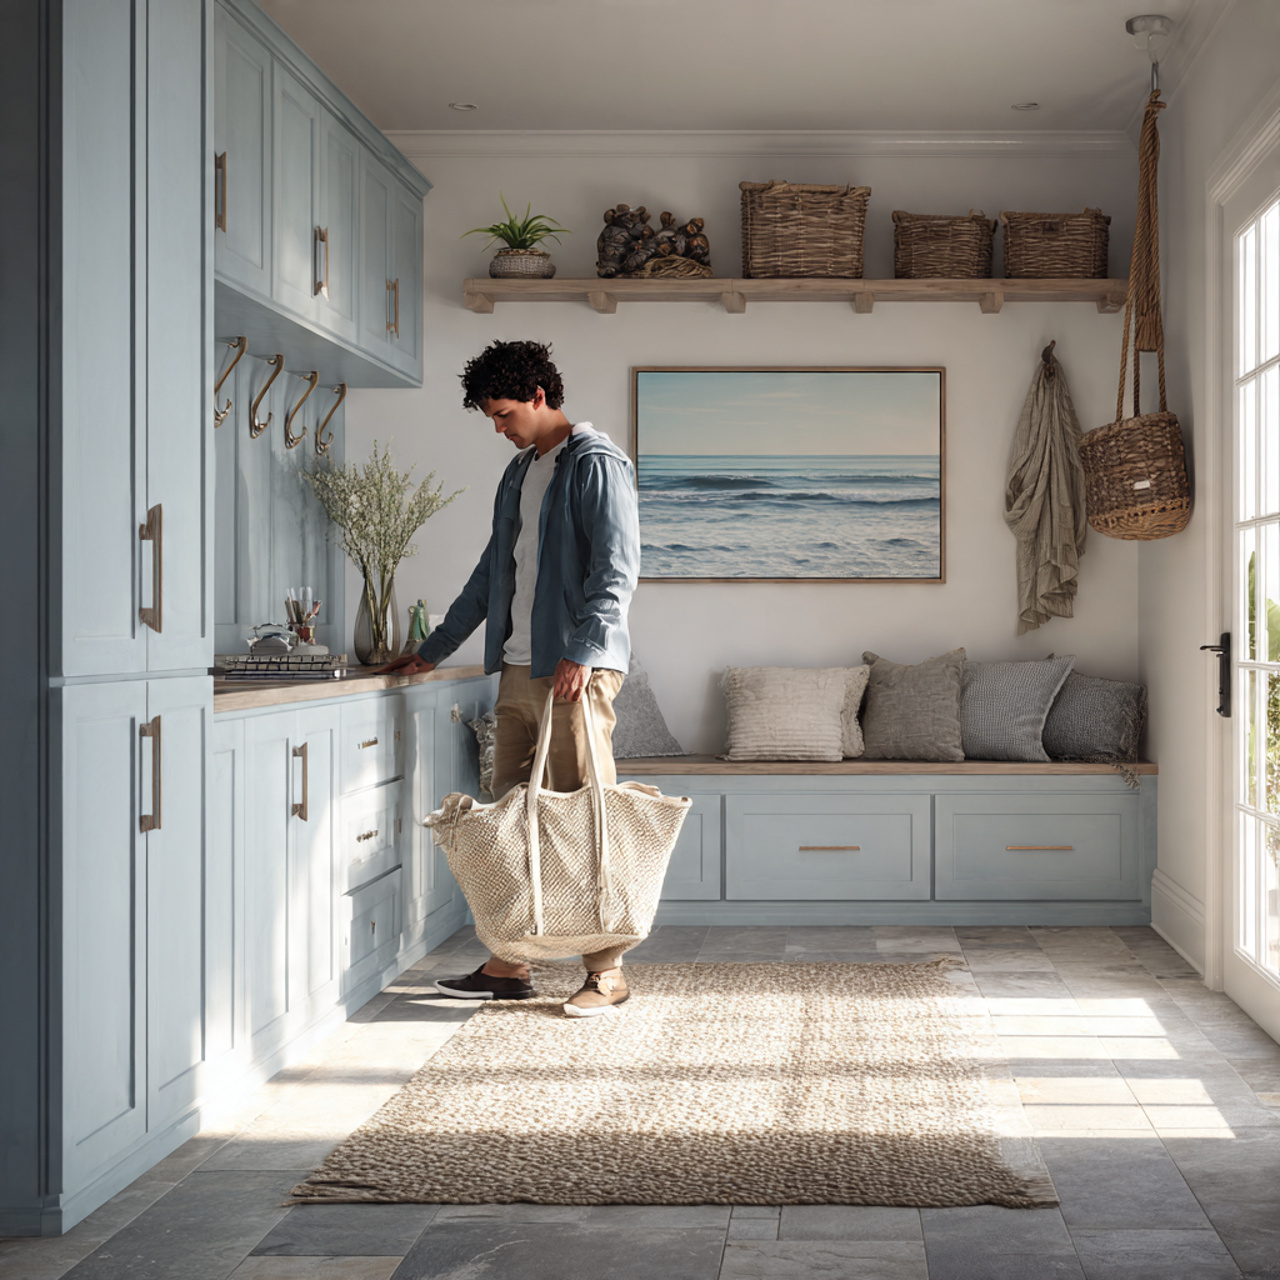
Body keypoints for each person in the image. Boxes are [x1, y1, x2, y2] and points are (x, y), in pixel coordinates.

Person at [380, 339, 641, 1018]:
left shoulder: (595, 465)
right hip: (522, 668)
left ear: (537, 395)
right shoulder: (521, 472)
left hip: (574, 670)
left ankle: (607, 973)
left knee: (582, 816)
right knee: (513, 821)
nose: (498, 429)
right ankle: (510, 963)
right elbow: (490, 576)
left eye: (503, 414)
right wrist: (431, 651)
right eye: (490, 419)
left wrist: (582, 652)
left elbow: (616, 571)